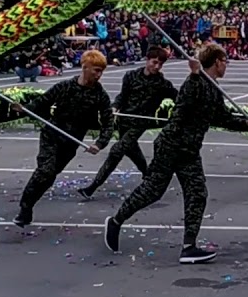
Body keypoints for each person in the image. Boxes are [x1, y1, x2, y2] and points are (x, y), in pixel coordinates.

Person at [103, 43, 248, 264]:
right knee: (152, 191)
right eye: (225, 61)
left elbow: (223, 118)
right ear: (217, 62)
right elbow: (183, 103)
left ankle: (188, 247)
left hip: (189, 151)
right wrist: (193, 76)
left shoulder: (213, 87)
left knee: (197, 194)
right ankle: (115, 221)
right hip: (171, 145)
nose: (226, 65)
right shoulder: (196, 82)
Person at [11, 50, 115, 228]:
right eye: (96, 70)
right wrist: (24, 108)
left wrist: (99, 143)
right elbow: (43, 101)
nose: (99, 75)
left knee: (50, 176)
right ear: (85, 67)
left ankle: (29, 206)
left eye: (101, 71)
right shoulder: (65, 86)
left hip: (71, 143)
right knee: (45, 171)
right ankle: (25, 208)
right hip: (51, 135)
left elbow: (108, 123)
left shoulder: (100, 95)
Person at [79, 46, 196, 198]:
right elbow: (123, 96)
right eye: (154, 62)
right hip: (124, 121)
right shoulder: (130, 76)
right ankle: (149, 177)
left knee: (117, 151)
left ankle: (92, 188)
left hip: (139, 124)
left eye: (160, 64)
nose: (157, 66)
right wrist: (115, 107)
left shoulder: (162, 84)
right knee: (133, 152)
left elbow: (179, 99)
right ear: (147, 59)